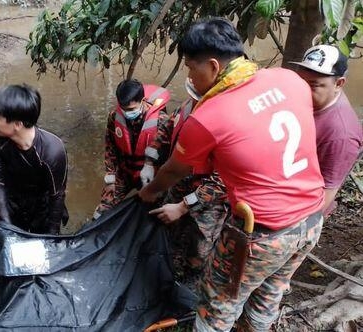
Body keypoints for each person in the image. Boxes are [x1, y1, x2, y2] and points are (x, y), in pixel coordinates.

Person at [139, 18, 324, 331]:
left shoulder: (210, 115)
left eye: (189, 67)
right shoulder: (289, 79)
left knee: (218, 306)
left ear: (212, 66)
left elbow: (173, 170)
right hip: (310, 221)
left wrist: (149, 192)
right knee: (268, 295)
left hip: (261, 233)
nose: (188, 75)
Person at [145, 79, 229, 273]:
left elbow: (221, 181)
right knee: (171, 232)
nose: (194, 100)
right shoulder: (187, 106)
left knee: (199, 246)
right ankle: (171, 269)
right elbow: (166, 128)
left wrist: (184, 206)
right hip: (180, 181)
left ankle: (191, 279)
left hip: (208, 196)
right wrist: (149, 162)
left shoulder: (225, 124)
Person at [0, 84, 68, 235]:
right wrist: (7, 226)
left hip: (43, 203)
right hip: (12, 199)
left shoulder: (52, 150)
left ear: (17, 124)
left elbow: (57, 194)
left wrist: (53, 231)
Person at [290, 44, 363, 217]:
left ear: (339, 83)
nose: (304, 89)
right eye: (302, 82)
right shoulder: (315, 101)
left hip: (296, 211)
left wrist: (292, 229)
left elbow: (325, 195)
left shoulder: (341, 135)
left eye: (314, 85)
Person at [93, 79, 170, 219]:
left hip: (149, 176)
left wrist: (157, 184)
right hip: (124, 173)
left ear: (143, 100)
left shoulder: (162, 121)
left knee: (156, 214)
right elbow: (110, 149)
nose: (128, 113)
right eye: (124, 109)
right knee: (102, 211)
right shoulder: (115, 117)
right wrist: (110, 180)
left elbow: (169, 157)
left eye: (132, 109)